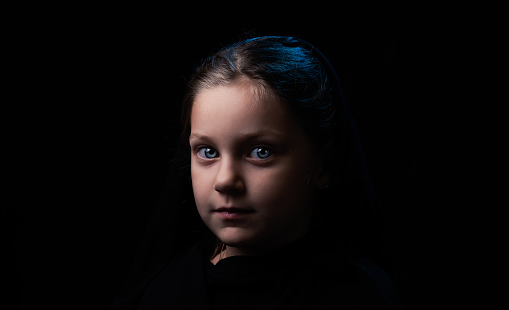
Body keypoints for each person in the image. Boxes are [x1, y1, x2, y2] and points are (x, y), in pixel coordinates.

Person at [110, 36, 403, 309]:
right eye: (208, 152)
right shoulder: (162, 294)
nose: (225, 181)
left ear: (323, 165)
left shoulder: (360, 296)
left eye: (260, 152)